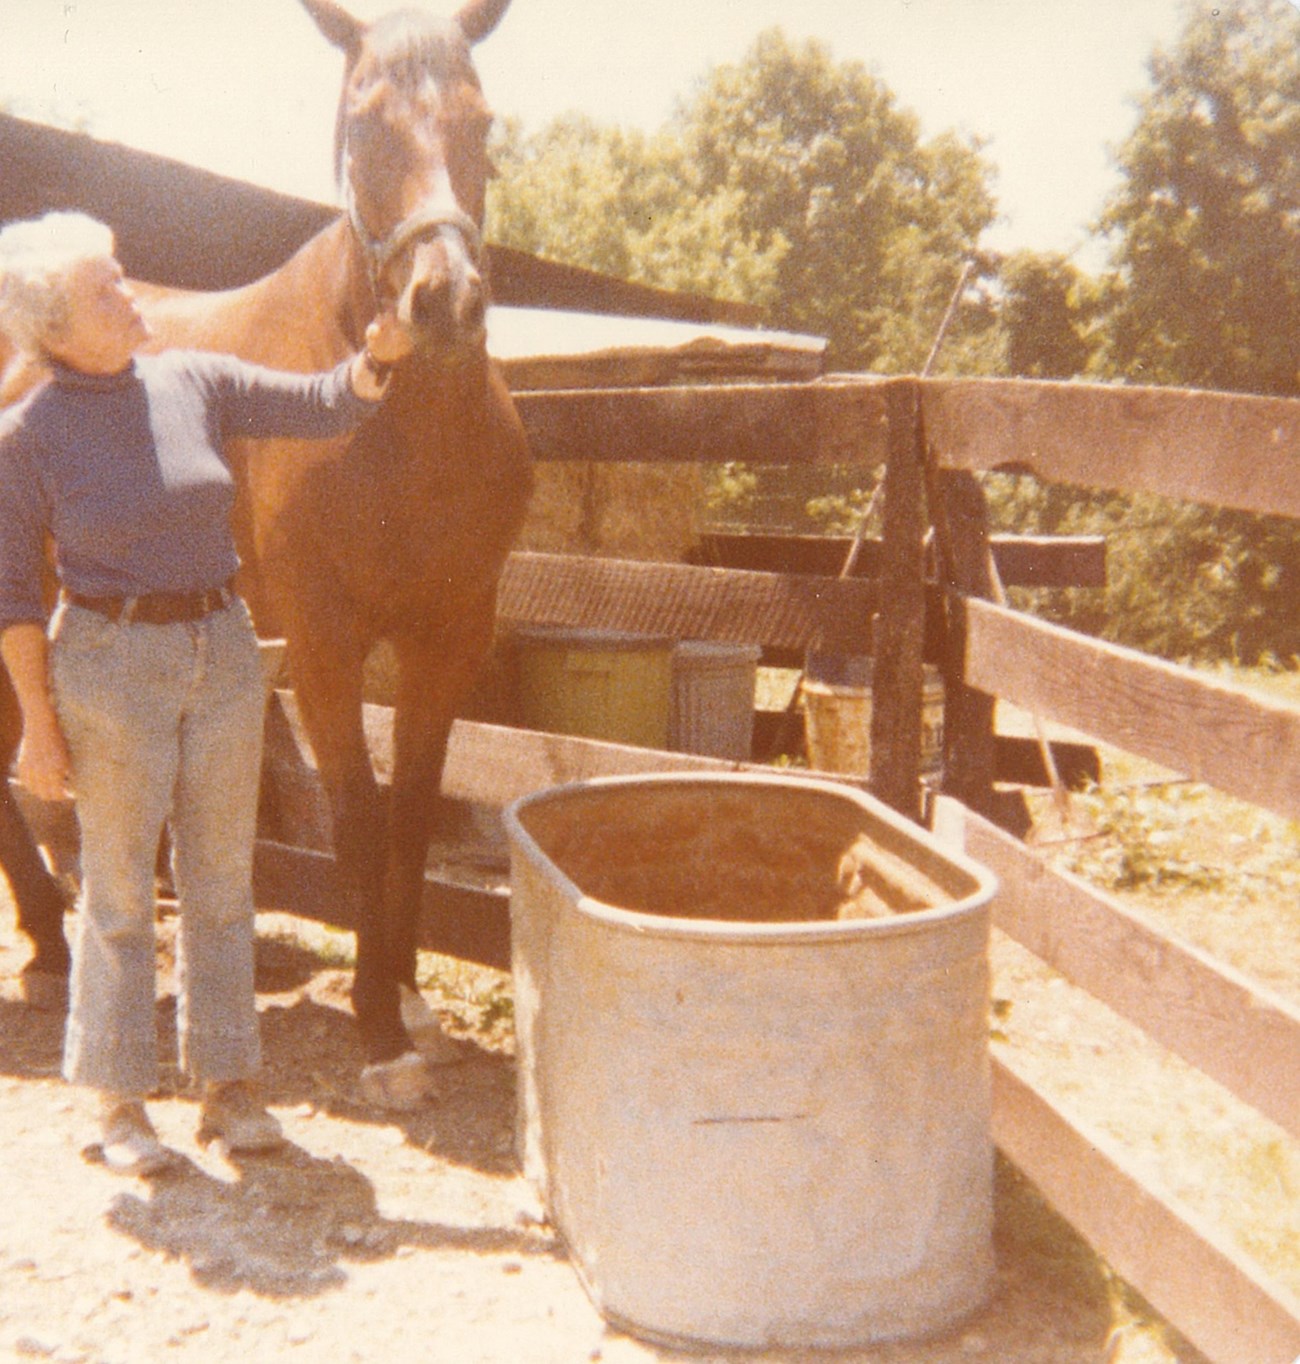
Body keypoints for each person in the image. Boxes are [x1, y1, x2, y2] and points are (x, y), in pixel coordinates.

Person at [0, 211, 410, 1174]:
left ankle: (230, 1092)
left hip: (222, 650)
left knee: (224, 883)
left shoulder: (191, 378)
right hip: (109, 661)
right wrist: (40, 731)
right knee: (119, 892)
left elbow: (319, 402)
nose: (131, 293)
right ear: (57, 324)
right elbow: (12, 598)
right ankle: (120, 1103)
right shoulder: (24, 437)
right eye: (109, 287)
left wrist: (377, 361)